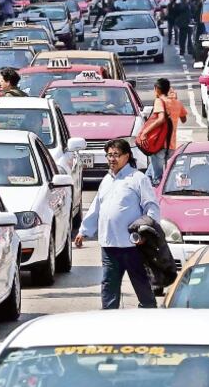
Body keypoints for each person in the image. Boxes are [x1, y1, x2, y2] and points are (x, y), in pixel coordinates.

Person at [75, 139, 160, 309]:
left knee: (141, 283)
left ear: (127, 156)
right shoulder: (107, 180)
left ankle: (149, 313)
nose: (112, 159)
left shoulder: (138, 179)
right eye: (109, 155)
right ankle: (109, 315)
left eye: (116, 155)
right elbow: (96, 208)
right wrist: (83, 231)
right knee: (109, 284)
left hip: (133, 245)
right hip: (109, 245)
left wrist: (147, 234)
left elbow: (151, 207)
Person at [144, 78, 187, 186]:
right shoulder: (177, 103)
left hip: (158, 144)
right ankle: (142, 189)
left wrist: (145, 132)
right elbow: (184, 119)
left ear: (157, 89)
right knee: (152, 174)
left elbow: (161, 119)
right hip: (171, 145)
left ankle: (155, 194)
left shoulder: (159, 101)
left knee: (157, 178)